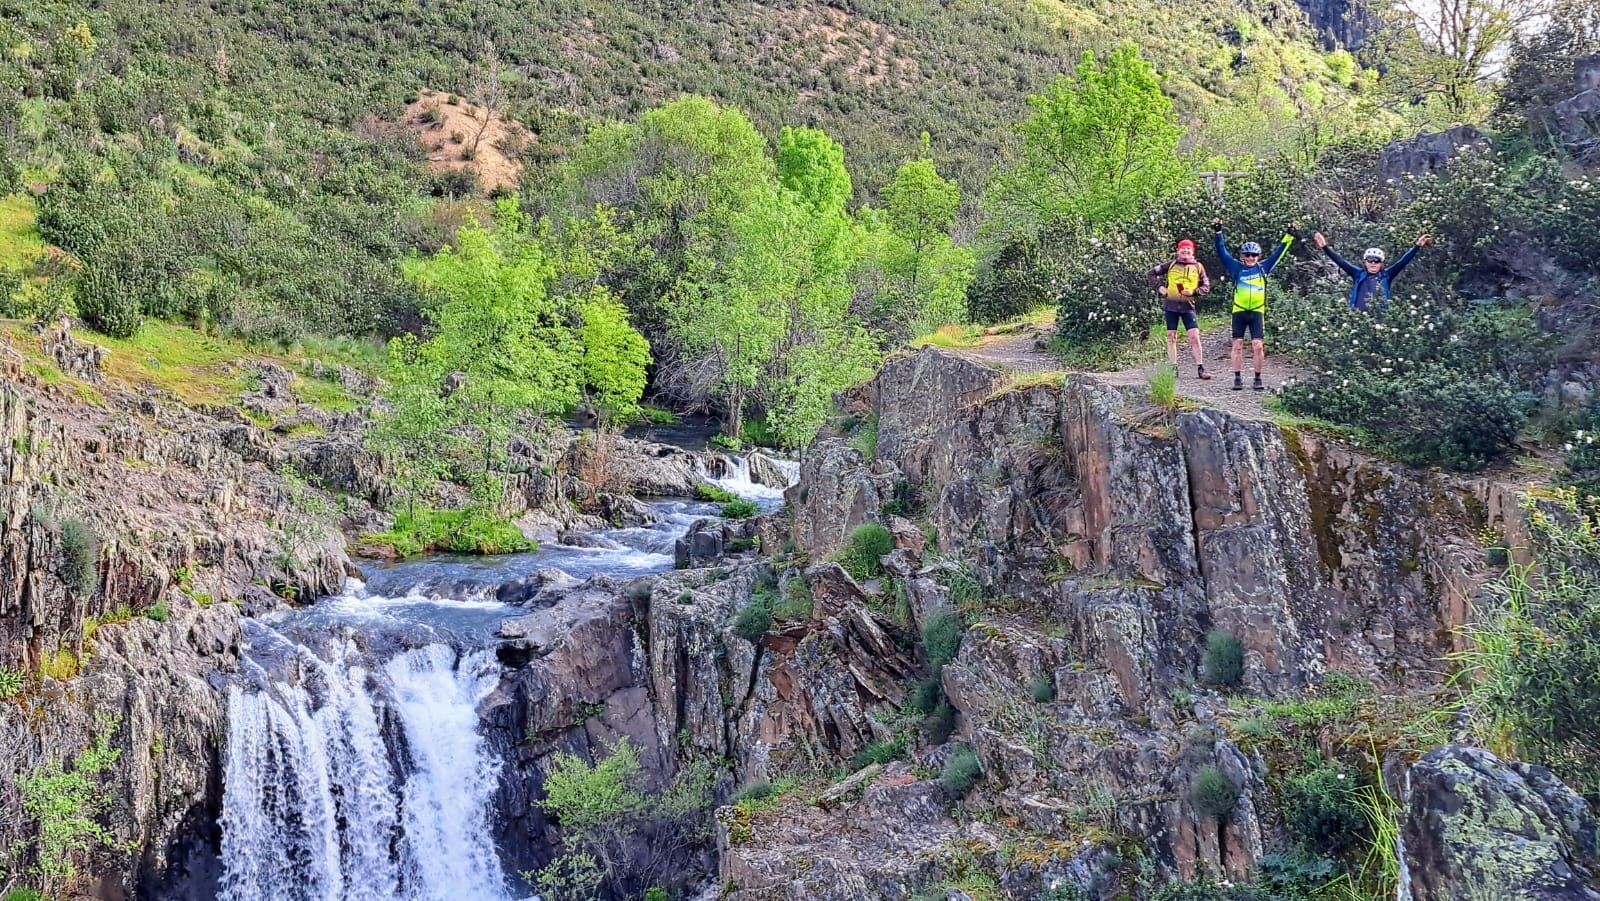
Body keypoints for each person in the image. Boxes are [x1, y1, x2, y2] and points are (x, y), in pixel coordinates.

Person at [1213, 218, 1298, 391]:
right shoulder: (1236, 267)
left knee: (1258, 346)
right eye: (1247, 255)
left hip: (1257, 312)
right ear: (1243, 256)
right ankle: (1237, 377)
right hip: (1239, 311)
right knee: (1237, 345)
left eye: (1254, 255)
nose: (1251, 258)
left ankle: (1257, 378)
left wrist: (1289, 235)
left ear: (1258, 256)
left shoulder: (1264, 267)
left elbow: (1279, 253)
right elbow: (1222, 253)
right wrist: (1218, 233)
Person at [1312, 232, 1433, 314]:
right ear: (1365, 262)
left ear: (1382, 263)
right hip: (1357, 318)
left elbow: (1403, 262)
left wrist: (1417, 246)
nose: (1373, 263)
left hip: (1380, 320)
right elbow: (1340, 261)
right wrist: (1325, 247)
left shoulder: (1386, 275)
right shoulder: (1358, 274)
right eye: (1370, 260)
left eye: (1377, 261)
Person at [1146, 239, 1213, 380]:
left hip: (1188, 307)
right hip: (1171, 306)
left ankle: (1201, 368)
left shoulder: (1198, 267)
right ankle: (1173, 368)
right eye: (1183, 249)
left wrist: (1194, 292)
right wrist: (1160, 287)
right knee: (1171, 336)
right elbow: (1151, 273)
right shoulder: (1171, 265)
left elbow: (1206, 286)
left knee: (1194, 337)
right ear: (1178, 250)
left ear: (1192, 251)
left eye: (1188, 249)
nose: (1185, 251)